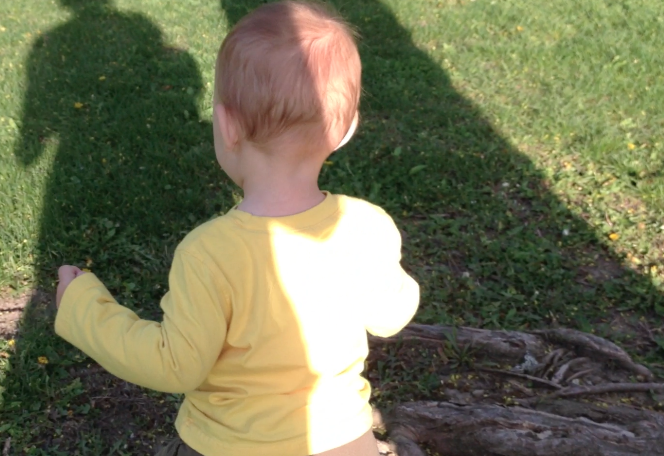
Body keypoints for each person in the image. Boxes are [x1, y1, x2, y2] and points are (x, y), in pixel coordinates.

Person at [53, 2, 420, 455]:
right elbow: (391, 316)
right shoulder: (365, 225)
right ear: (346, 130)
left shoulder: (209, 252)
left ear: (227, 127)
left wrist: (83, 308)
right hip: (344, 442)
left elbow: (175, 365)